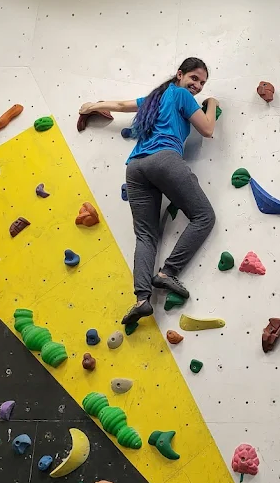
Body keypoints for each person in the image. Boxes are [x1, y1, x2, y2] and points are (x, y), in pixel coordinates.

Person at [79, 57, 219, 325]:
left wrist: (92, 106)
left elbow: (120, 105)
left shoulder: (155, 98)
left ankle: (142, 299)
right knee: (204, 217)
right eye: (194, 79)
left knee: (145, 235)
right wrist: (212, 103)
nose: (198, 86)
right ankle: (167, 273)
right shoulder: (180, 95)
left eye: (202, 83)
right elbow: (208, 128)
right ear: (180, 75)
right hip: (164, 159)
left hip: (135, 167)